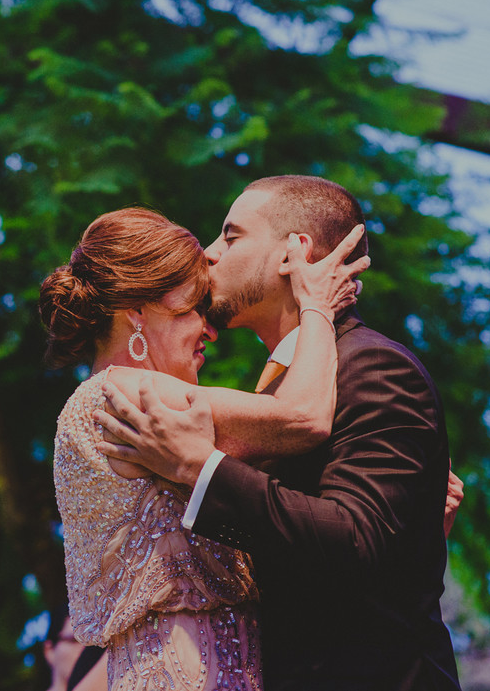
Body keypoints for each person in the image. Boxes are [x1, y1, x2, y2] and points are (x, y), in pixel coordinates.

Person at [95, 176, 461, 690]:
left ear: (295, 253)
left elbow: (355, 540)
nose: (209, 253)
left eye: (232, 235)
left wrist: (199, 469)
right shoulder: (283, 389)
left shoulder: (373, 366)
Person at [39, 206, 367, 690]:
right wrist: (315, 305)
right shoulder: (131, 397)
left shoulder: (100, 403)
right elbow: (305, 417)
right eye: (193, 308)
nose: (209, 330)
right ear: (137, 311)